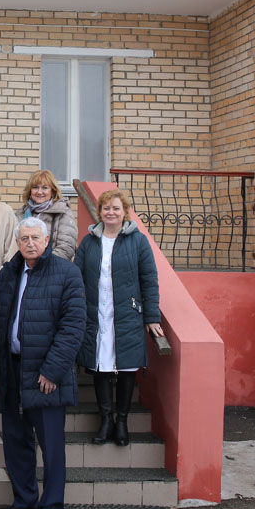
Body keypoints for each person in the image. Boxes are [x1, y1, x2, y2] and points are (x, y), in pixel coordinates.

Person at [0, 217, 87, 509]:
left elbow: (74, 326)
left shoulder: (67, 273)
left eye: (35, 237)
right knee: (16, 441)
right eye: (24, 238)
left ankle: (51, 507)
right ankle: (24, 501)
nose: (30, 243)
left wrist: (52, 370)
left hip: (46, 374)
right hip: (12, 371)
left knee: (51, 446)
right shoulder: (7, 273)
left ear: (47, 241)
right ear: (17, 242)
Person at [74, 189, 162, 446]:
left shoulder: (138, 241)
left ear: (124, 212)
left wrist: (152, 316)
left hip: (126, 314)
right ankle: (106, 421)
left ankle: (122, 422)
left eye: (115, 208)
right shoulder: (89, 242)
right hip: (97, 314)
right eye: (106, 208)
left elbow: (149, 279)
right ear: (99, 212)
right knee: (100, 366)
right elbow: (77, 278)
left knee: (126, 368)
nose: (110, 212)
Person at [14, 170, 78, 261]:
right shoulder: (21, 214)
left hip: (52, 266)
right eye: (35, 187)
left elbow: (66, 247)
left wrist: (41, 264)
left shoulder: (63, 212)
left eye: (45, 188)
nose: (39, 192)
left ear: (53, 191)